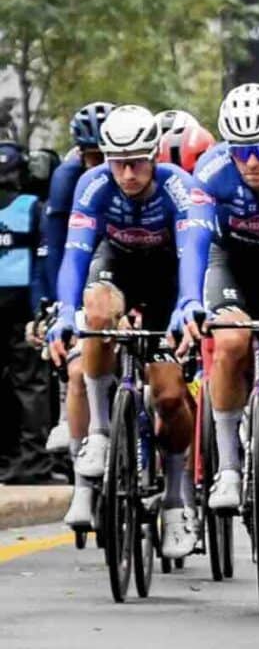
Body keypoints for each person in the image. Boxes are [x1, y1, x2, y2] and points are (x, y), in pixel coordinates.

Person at [46, 103, 211, 562]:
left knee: (170, 397)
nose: (127, 172)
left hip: (168, 279)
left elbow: (194, 252)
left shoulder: (183, 189)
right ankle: (99, 431)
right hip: (115, 265)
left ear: (154, 155)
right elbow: (76, 255)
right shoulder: (93, 184)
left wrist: (189, 303)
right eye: (117, 161)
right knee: (94, 311)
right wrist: (64, 311)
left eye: (137, 161)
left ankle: (177, 497)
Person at [193, 82, 259, 513]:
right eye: (241, 151)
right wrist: (188, 300)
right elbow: (195, 242)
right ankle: (230, 469)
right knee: (232, 342)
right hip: (230, 261)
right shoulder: (211, 170)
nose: (251, 162)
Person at [38, 103, 108, 526]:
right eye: (90, 157)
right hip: (82, 265)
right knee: (79, 369)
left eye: (106, 157)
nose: (98, 166)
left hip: (126, 262)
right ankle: (82, 485)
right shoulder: (67, 178)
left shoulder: (132, 174)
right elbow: (55, 250)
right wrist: (52, 309)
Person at [0, 136, 50, 483]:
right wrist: (40, 310)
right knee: (31, 385)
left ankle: (8, 457)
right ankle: (33, 461)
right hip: (23, 307)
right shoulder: (33, 206)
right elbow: (41, 262)